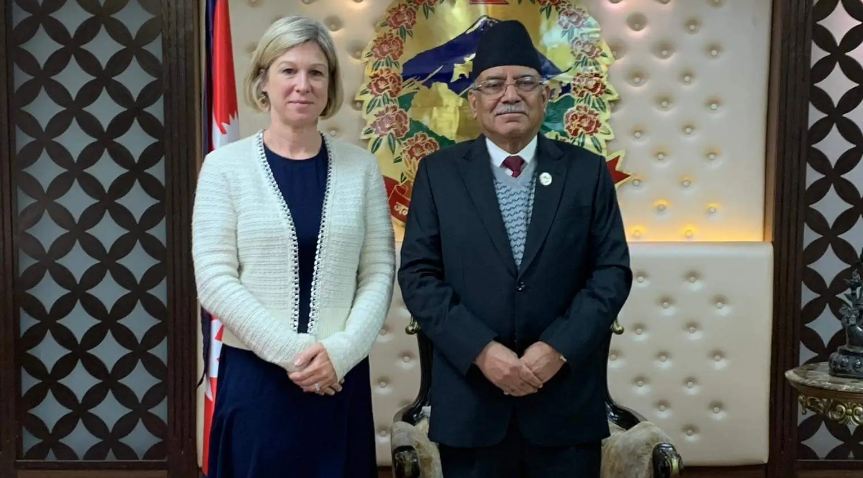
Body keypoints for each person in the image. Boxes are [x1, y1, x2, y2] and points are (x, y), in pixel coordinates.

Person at [398, 20, 631, 477]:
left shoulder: (586, 173)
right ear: (474, 101)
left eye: (525, 82)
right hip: (471, 408)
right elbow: (419, 277)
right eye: (493, 84)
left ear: (545, 96)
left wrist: (557, 348)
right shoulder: (438, 174)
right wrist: (483, 351)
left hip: (564, 409)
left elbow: (611, 273)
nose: (510, 95)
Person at [192, 16, 394, 478]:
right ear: (263, 80)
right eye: (288, 70)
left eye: (316, 72)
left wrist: (339, 353)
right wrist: (294, 353)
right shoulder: (223, 167)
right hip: (258, 381)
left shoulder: (362, 168)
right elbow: (215, 279)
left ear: (330, 84)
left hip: (338, 377)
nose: (303, 84)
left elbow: (379, 271)